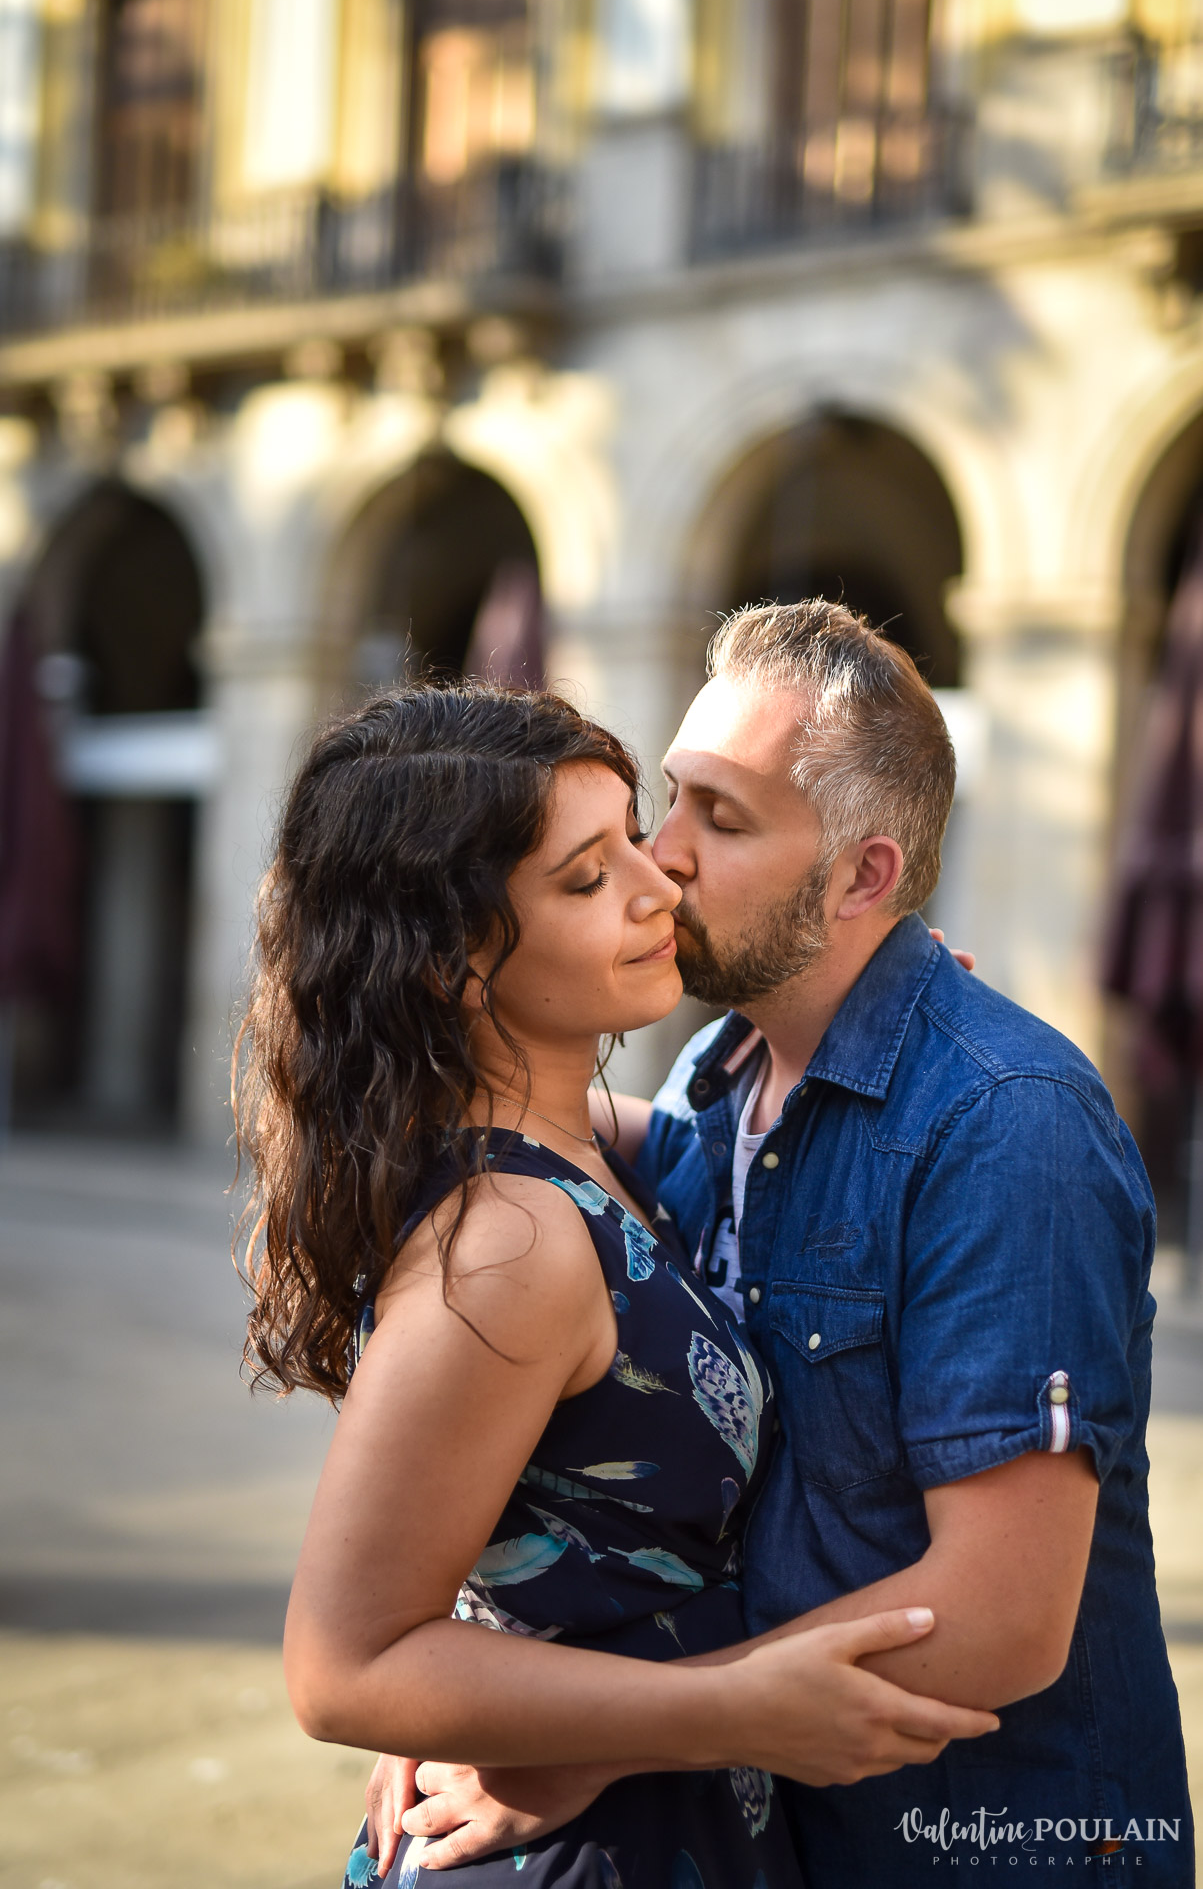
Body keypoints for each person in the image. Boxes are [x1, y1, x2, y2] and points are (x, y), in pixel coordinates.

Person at [378, 604, 1192, 1884]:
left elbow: (1000, 1621)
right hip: (768, 1839)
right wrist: (476, 1695)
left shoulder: (1006, 1125)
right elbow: (520, 1108)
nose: (662, 855)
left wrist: (611, 1734)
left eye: (725, 817)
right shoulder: (716, 1074)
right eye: (673, 798)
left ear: (865, 877)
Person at [235, 683, 996, 1889]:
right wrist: (729, 1710)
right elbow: (343, 1668)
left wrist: (883, 993)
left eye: (635, 836)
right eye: (586, 880)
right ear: (451, 961)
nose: (658, 886)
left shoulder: (581, 1144)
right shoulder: (511, 1248)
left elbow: (742, 1132)